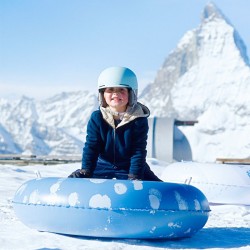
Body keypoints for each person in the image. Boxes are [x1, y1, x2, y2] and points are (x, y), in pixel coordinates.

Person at [68, 66, 162, 181]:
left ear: (131, 93)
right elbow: (91, 147)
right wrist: (86, 171)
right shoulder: (97, 118)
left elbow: (138, 151)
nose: (115, 94)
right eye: (110, 90)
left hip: (130, 167)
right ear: (102, 94)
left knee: (159, 189)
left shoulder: (139, 119)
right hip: (102, 165)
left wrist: (135, 176)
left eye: (121, 90)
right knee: (74, 180)